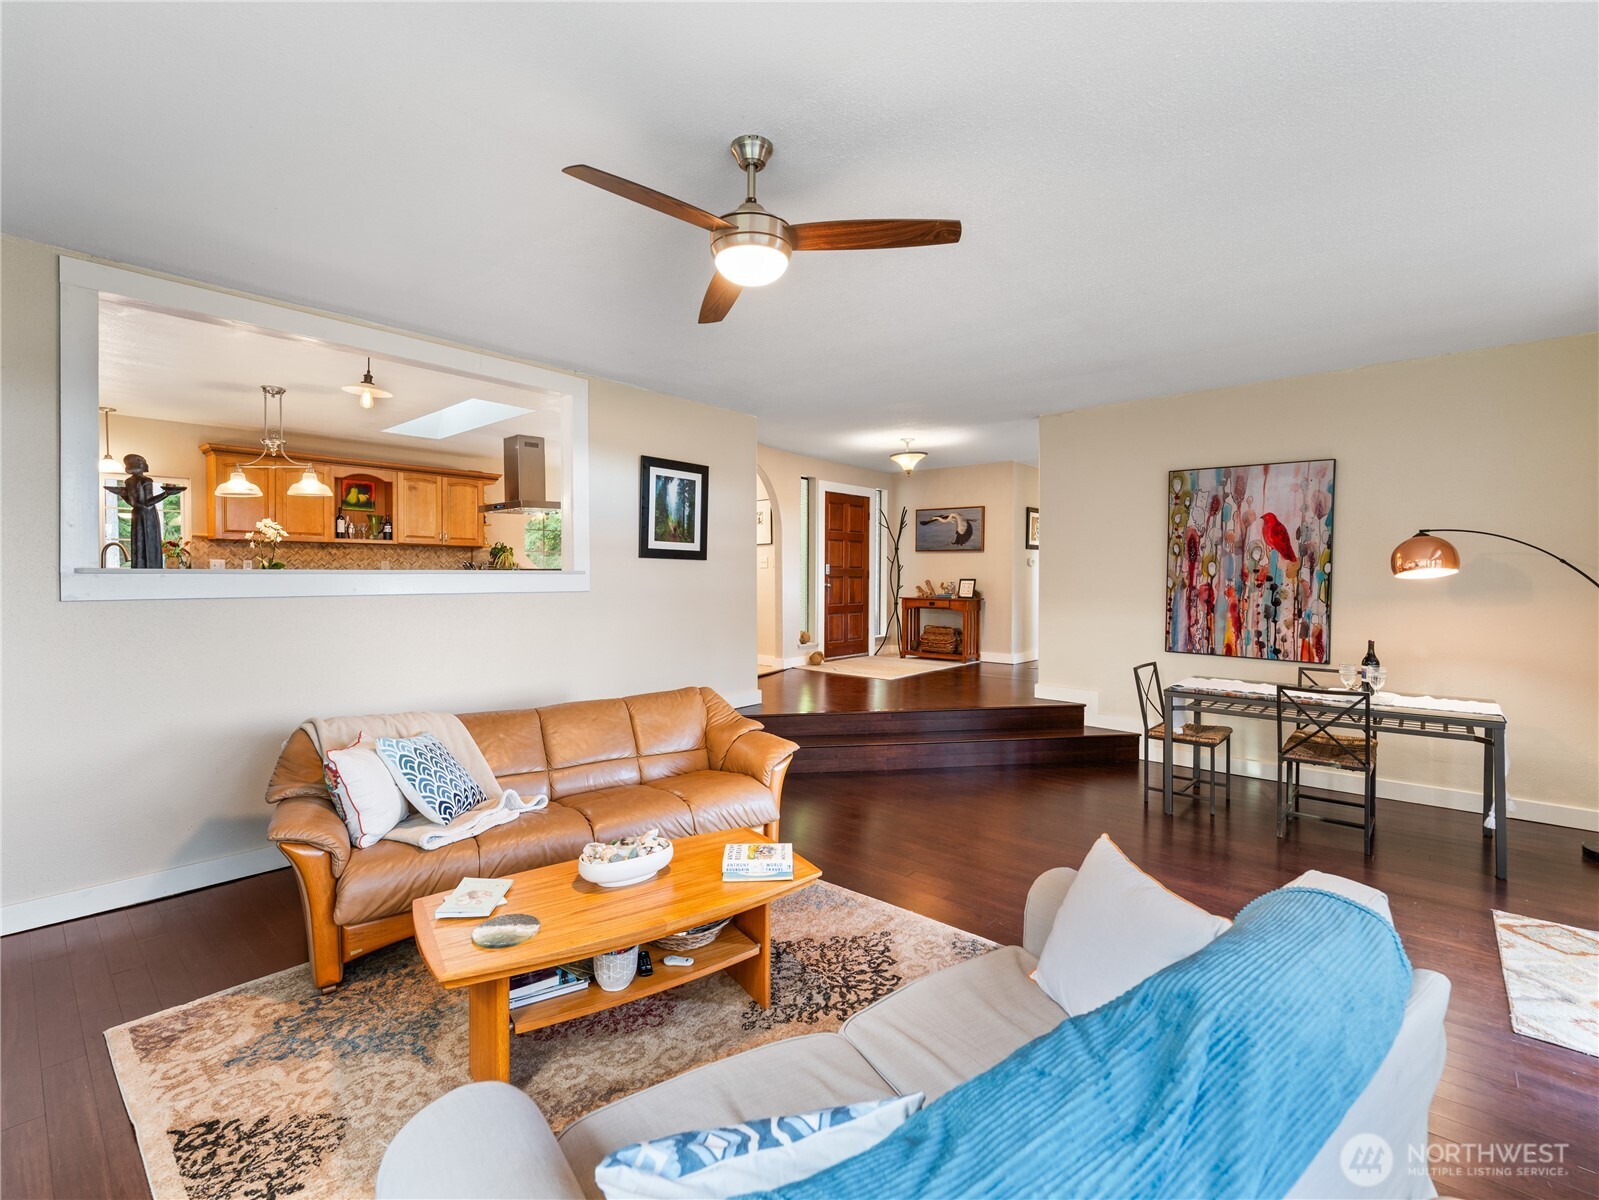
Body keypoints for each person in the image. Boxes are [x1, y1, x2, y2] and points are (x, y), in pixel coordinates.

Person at [104, 454, 186, 569]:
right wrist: (166, 494)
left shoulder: (129, 481)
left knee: (139, 545)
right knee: (150, 545)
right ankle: (151, 570)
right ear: (141, 464)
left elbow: (134, 503)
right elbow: (148, 502)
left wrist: (122, 494)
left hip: (136, 514)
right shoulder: (146, 480)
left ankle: (140, 568)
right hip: (148, 515)